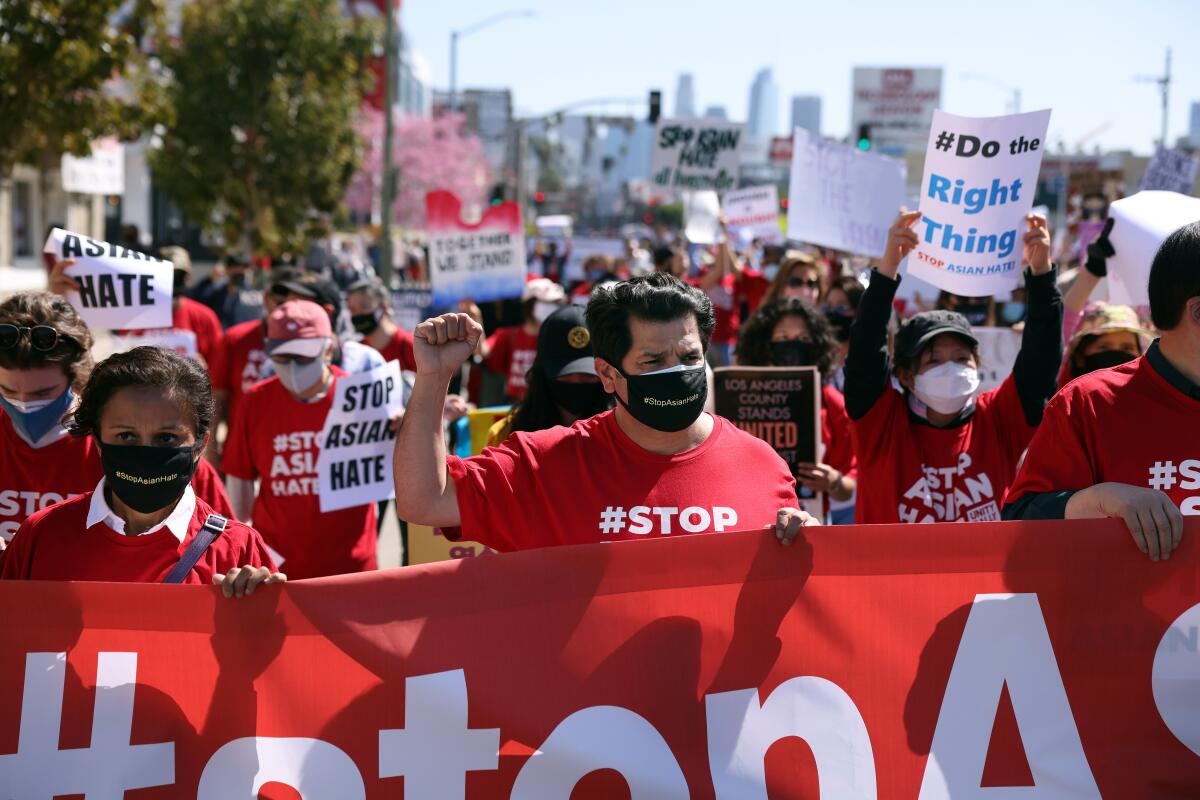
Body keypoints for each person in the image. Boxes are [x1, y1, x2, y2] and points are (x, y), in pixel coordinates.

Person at [393, 273, 817, 552]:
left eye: (689, 356)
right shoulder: (546, 466)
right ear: (608, 375)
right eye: (652, 361)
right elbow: (424, 500)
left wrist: (809, 548)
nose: (677, 371)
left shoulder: (762, 465)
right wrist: (433, 377)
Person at [2, 347, 283, 597]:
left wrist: (259, 607)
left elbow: (270, 652)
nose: (145, 451)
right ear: (98, 442)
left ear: (200, 445)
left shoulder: (236, 547)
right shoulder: (41, 534)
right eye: (126, 436)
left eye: (166, 438)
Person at [843, 210, 1063, 524]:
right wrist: (888, 269)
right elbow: (865, 353)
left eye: (961, 359)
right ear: (905, 375)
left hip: (983, 575)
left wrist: (1041, 274)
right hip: (890, 574)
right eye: (933, 360)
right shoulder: (882, 425)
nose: (950, 369)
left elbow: (1040, 362)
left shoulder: (998, 419)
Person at [1003, 221, 1200, 561]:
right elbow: (1015, 530)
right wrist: (1098, 499)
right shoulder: (1087, 405)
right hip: (1120, 615)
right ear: (1197, 312)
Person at [0, 292, 235, 543]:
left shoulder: (142, 449)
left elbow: (226, 546)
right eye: (8, 391)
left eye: (43, 393)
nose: (24, 404)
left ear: (78, 380)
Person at [222, 300, 378, 578]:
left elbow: (401, 479)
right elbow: (240, 488)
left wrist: (406, 429)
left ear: (328, 349)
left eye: (304, 357)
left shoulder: (361, 397)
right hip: (277, 571)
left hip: (351, 569)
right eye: (282, 357)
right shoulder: (255, 401)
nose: (293, 367)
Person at [735, 298, 857, 519]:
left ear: (816, 345)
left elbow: (850, 480)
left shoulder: (831, 402)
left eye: (803, 339)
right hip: (750, 517)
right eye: (782, 338)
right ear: (764, 344)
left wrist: (833, 482)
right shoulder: (739, 397)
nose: (792, 345)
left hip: (812, 522)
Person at [487, 304, 612, 444]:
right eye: (565, 374)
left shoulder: (626, 433)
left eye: (588, 375)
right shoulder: (506, 434)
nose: (576, 381)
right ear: (542, 373)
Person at [473, 278, 566, 402]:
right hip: (515, 405)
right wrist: (474, 315)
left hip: (547, 404)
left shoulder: (560, 337)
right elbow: (482, 352)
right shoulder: (509, 335)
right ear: (530, 304)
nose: (553, 307)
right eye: (547, 302)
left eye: (555, 302)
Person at [1061, 302, 1150, 383]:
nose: (1116, 356)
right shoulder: (1068, 396)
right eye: (1104, 347)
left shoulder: (1150, 396)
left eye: (1127, 348)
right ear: (1079, 357)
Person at [345, 280, 417, 371]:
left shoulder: (410, 345)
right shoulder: (358, 352)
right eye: (352, 309)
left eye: (364, 306)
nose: (358, 314)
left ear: (383, 306)